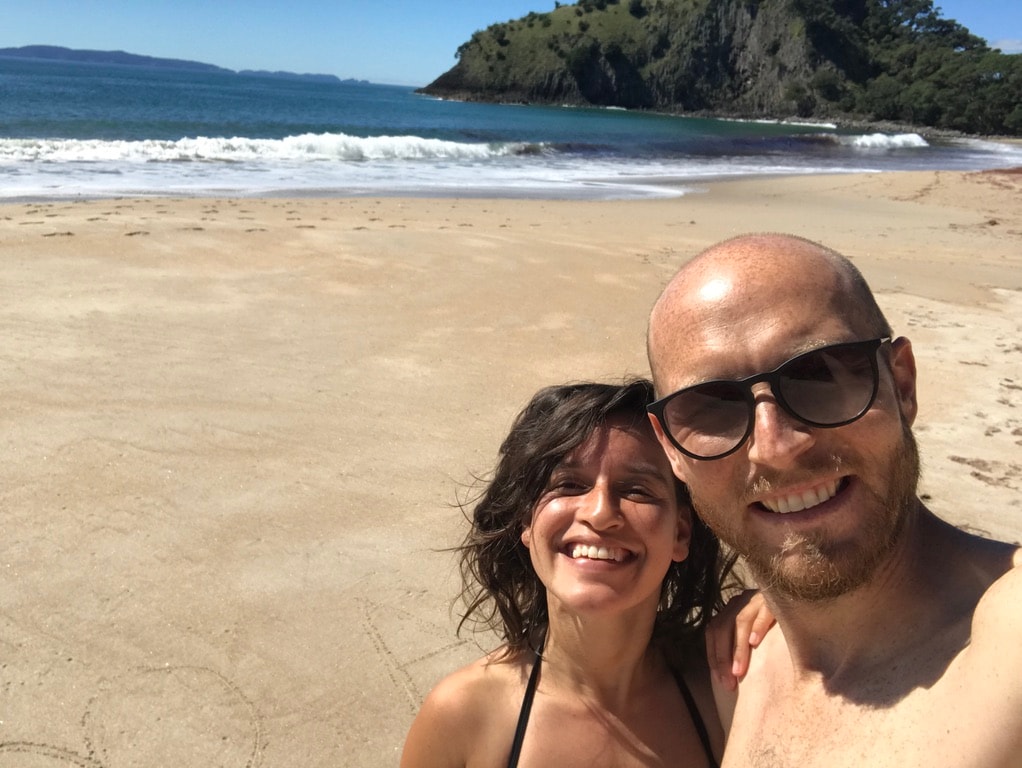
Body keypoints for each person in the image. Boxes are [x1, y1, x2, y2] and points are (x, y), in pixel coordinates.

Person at [646, 233, 1022, 767]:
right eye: (712, 405)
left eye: (818, 374)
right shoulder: (740, 671)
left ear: (902, 382)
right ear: (672, 451)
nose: (774, 448)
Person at [400, 379, 739, 768]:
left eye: (637, 490)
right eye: (569, 484)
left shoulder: (725, 693)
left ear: (680, 532)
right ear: (526, 521)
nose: (599, 513)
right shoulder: (464, 717)